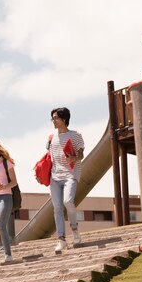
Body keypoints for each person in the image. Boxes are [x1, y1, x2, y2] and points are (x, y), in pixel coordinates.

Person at [48, 107, 85, 254]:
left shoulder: (75, 135)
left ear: (64, 119)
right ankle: (61, 240)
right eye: (52, 118)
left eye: (56, 118)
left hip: (71, 175)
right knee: (57, 207)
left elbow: (81, 155)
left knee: (68, 201)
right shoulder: (51, 138)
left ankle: (75, 231)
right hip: (55, 177)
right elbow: (48, 157)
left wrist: (74, 158)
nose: (54, 121)